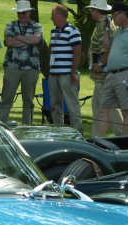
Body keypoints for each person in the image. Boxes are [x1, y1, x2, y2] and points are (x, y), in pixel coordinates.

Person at [98, 2, 128, 136]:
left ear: (123, 14)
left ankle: (125, 142)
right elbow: (107, 47)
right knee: (103, 109)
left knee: (126, 110)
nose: (112, 18)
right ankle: (99, 140)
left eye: (114, 15)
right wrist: (107, 29)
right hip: (111, 75)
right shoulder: (118, 31)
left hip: (126, 74)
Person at [0, 0, 41, 125]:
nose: (21, 15)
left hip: (31, 68)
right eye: (19, 13)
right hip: (12, 67)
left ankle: (27, 127)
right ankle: (0, 126)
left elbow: (37, 39)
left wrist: (19, 37)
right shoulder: (10, 25)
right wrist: (29, 40)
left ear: (29, 13)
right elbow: (9, 42)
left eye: (24, 13)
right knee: (6, 99)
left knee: (28, 100)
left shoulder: (37, 26)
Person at [86, 0, 122, 137]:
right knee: (97, 107)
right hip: (101, 77)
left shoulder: (104, 26)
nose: (90, 12)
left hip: (103, 76)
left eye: (91, 10)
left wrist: (100, 65)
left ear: (96, 10)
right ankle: (97, 138)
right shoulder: (107, 23)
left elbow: (107, 49)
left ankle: (123, 136)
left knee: (109, 108)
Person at [48, 3, 81, 131]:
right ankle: (59, 131)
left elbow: (77, 52)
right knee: (55, 105)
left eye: (53, 15)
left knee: (72, 104)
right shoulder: (54, 31)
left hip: (67, 74)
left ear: (61, 15)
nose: (51, 18)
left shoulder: (73, 31)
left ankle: (78, 131)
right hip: (54, 73)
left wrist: (73, 73)